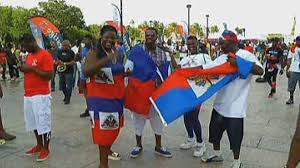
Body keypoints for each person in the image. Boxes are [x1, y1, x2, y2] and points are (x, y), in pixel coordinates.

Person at [201, 30, 263, 168]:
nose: (220, 45)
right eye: (219, 42)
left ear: (233, 42)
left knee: (235, 137)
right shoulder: (222, 58)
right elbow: (206, 69)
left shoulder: (245, 55)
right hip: (220, 105)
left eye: (222, 42)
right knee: (215, 133)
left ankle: (236, 161)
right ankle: (217, 154)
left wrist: (239, 63)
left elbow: (260, 71)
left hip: (236, 107)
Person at [125, 27, 173, 158]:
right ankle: (138, 145)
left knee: (157, 120)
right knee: (138, 120)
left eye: (152, 35)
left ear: (156, 37)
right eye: (147, 35)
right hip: (139, 92)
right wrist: (127, 72)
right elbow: (128, 68)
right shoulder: (136, 51)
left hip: (156, 93)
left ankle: (158, 146)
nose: (149, 38)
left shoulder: (163, 54)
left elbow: (167, 73)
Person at [84, 25, 124, 168]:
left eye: (112, 38)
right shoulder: (94, 53)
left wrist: (127, 73)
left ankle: (107, 153)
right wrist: (106, 59)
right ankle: (103, 165)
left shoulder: (117, 53)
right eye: (106, 37)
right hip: (101, 102)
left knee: (112, 132)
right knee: (103, 135)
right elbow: (87, 71)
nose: (109, 40)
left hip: (116, 100)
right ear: (101, 37)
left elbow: (115, 73)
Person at [20, 34, 54, 162]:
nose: (25, 49)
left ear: (33, 42)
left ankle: (46, 148)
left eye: (26, 46)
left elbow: (49, 75)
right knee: (33, 122)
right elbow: (29, 69)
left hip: (41, 95)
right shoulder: (29, 55)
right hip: (28, 94)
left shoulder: (45, 55)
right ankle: (39, 145)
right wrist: (25, 68)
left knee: (44, 122)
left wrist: (32, 69)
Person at [177, 35, 212, 157]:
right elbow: (178, 71)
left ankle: (201, 144)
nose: (191, 46)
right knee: (186, 116)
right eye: (189, 44)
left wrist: (196, 71)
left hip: (198, 91)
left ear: (197, 44)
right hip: (186, 91)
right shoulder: (184, 58)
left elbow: (211, 69)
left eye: (193, 44)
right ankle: (190, 139)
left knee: (193, 116)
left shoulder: (204, 57)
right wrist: (171, 56)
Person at [57, 40, 76, 104]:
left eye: (65, 45)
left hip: (69, 71)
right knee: (62, 86)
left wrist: (64, 63)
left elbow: (73, 62)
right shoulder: (59, 51)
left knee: (69, 86)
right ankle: (66, 96)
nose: (64, 47)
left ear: (68, 46)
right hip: (61, 70)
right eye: (63, 45)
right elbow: (58, 59)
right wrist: (58, 62)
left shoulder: (71, 52)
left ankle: (68, 99)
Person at [79, 37, 92, 118]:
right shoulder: (84, 49)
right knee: (86, 94)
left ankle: (92, 111)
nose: (84, 41)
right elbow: (81, 58)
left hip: (90, 75)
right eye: (84, 40)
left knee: (91, 95)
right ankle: (88, 109)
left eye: (86, 40)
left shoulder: (93, 50)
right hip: (83, 75)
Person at [286, 36, 300, 105]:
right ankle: (291, 99)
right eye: (297, 41)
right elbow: (289, 59)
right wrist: (287, 69)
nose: (298, 42)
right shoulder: (292, 48)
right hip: (293, 70)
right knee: (291, 86)